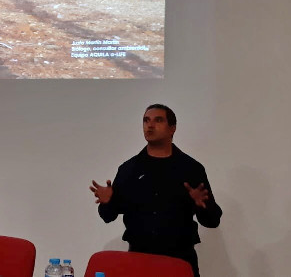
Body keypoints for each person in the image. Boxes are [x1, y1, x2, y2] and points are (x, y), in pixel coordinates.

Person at [89, 104, 222, 277]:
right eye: (146, 120)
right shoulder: (129, 169)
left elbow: (212, 221)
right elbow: (108, 216)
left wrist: (202, 205)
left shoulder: (191, 169)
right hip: (138, 259)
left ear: (172, 128)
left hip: (179, 260)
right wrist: (108, 202)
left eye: (158, 120)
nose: (150, 125)